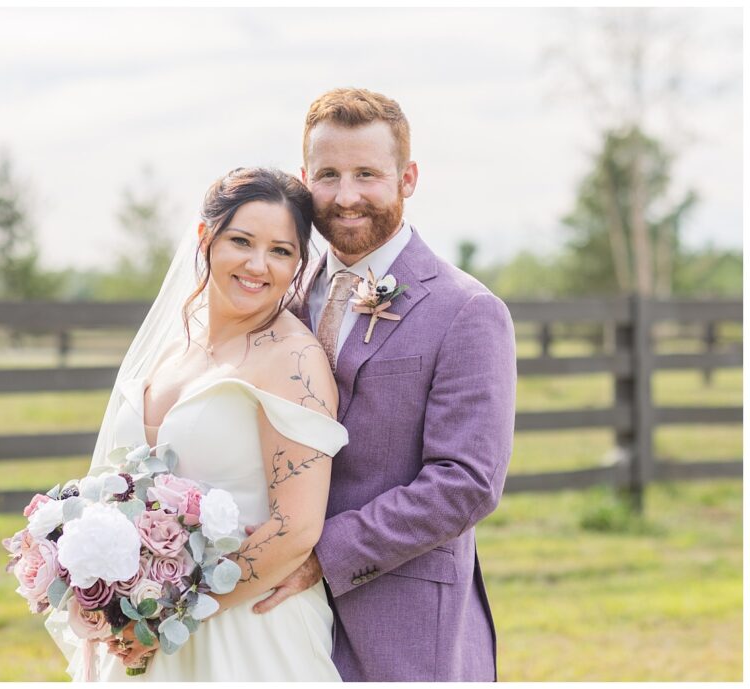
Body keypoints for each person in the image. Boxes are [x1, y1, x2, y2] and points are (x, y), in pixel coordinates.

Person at [248, 88, 517, 681]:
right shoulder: (279, 298)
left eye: (367, 174)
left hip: (405, 619)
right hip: (273, 619)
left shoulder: (467, 310)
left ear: (408, 177)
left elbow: (467, 482)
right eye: (329, 175)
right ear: (304, 179)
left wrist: (322, 554)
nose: (347, 197)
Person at [58, 167, 349, 681]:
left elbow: (297, 527)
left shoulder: (293, 359)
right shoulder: (171, 346)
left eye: (282, 251)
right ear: (205, 238)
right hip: (142, 629)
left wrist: (165, 613)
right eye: (242, 241)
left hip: (248, 634)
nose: (258, 265)